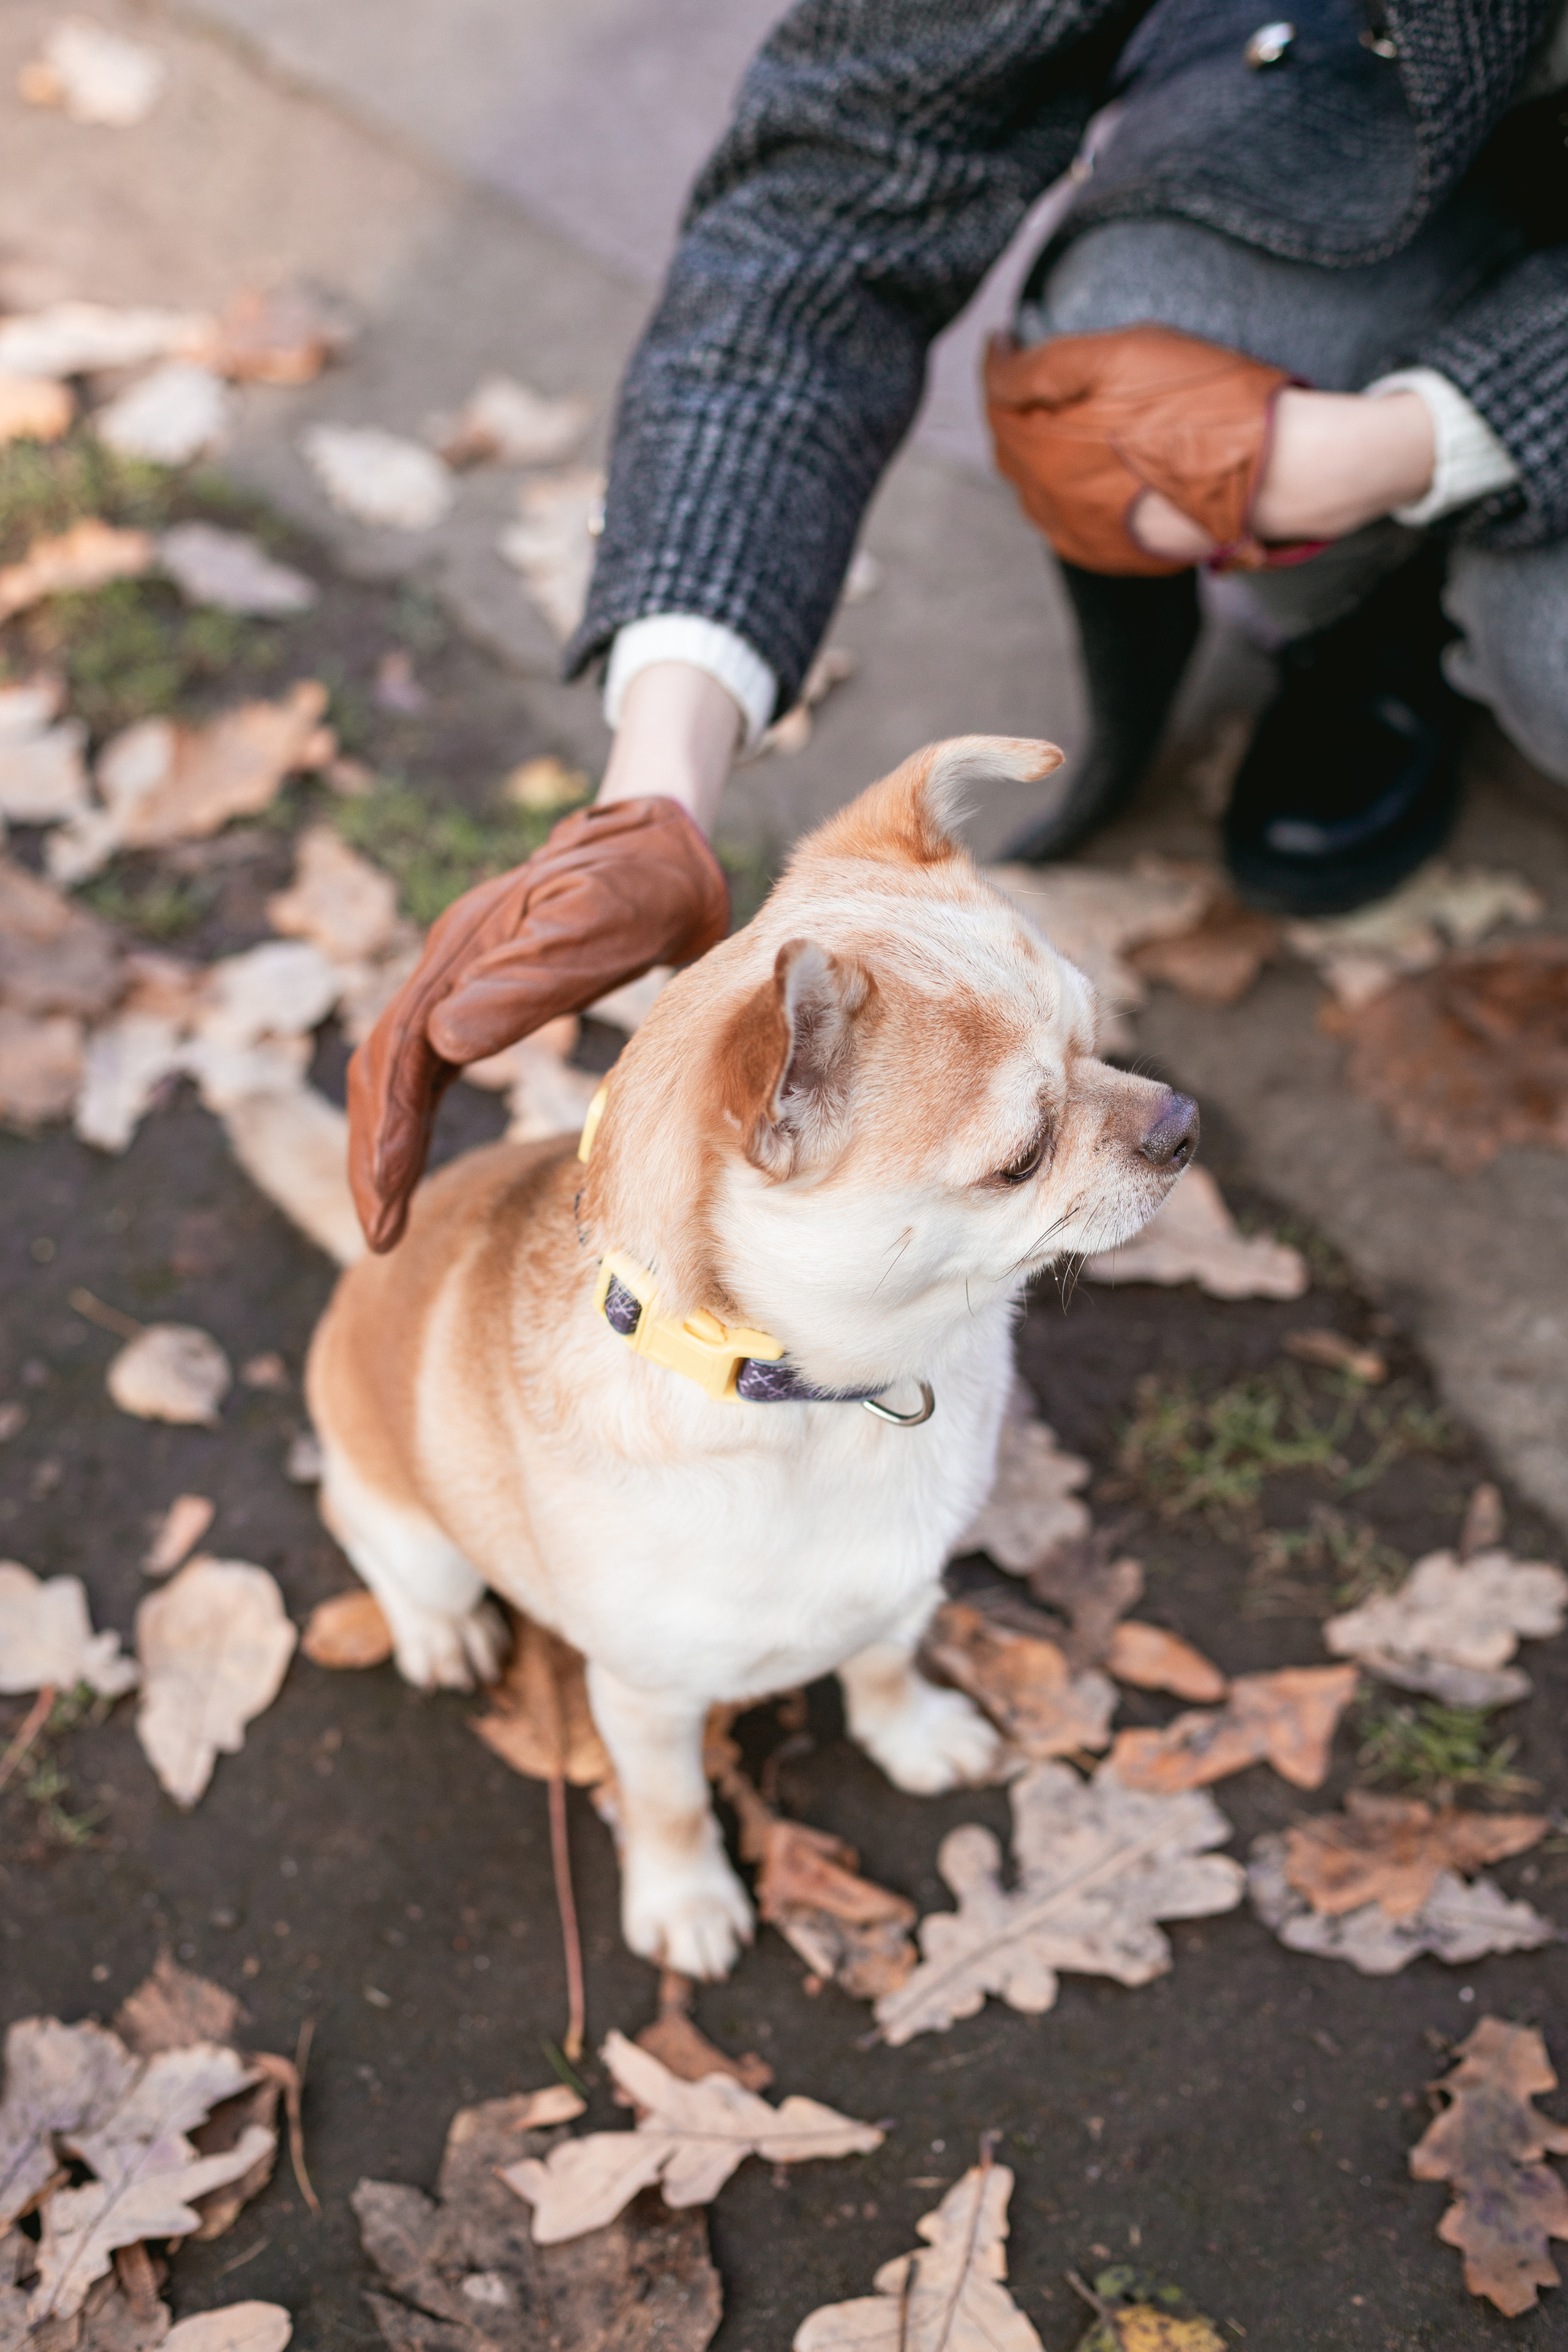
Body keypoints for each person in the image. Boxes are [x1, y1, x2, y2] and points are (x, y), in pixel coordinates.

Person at [349, 0, 1568, 1251]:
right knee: (1140, 348)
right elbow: (839, 188)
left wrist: (1421, 436)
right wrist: (651, 794)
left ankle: (1454, 544)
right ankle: (1366, 614)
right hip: (1390, 90)